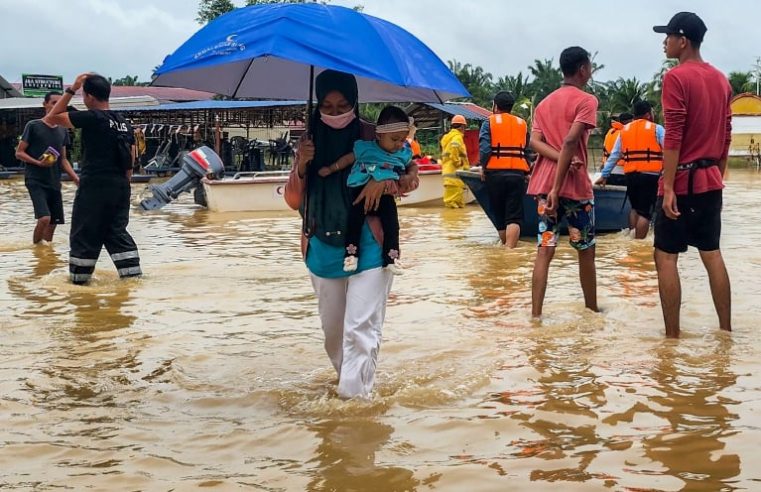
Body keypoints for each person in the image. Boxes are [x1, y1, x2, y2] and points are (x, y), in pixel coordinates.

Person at [284, 70, 419, 399]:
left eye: (342, 105)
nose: (334, 113)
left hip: (370, 243)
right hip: (321, 244)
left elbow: (409, 180)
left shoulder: (375, 136)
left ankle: (353, 406)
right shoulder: (307, 141)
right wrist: (302, 164)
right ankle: (353, 384)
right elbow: (293, 201)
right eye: (327, 107)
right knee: (333, 334)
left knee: (360, 329)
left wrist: (384, 182)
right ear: (317, 106)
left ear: (355, 103)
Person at [652, 12, 732, 337]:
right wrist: (717, 175)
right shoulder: (722, 80)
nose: (664, 42)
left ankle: (672, 339)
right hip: (711, 181)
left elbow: (674, 134)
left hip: (682, 181)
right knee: (711, 253)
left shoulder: (675, 78)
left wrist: (668, 185)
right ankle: (726, 332)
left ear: (682, 41)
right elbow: (726, 135)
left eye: (668, 36)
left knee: (666, 258)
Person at [43, 73, 142, 285]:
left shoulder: (92, 117)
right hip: (121, 187)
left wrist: (71, 89)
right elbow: (130, 162)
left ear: (88, 96)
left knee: (84, 234)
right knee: (116, 233)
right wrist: (124, 187)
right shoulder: (124, 123)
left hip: (95, 188)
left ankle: (80, 288)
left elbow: (51, 117)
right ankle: (133, 281)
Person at [527, 46, 599, 317]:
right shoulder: (587, 101)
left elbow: (534, 142)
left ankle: (536, 315)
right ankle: (592, 312)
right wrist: (566, 163)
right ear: (582, 69)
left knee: (544, 249)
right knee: (585, 251)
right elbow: (570, 141)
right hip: (574, 188)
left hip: (544, 188)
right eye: (589, 67)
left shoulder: (544, 103)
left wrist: (557, 160)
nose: (590, 72)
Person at [318, 106, 413, 275]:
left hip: (386, 196)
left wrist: (409, 176)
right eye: (394, 139)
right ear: (378, 135)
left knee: (393, 226)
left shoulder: (402, 153)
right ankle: (351, 255)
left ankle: (391, 259)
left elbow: (413, 166)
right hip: (359, 192)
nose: (399, 144)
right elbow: (348, 159)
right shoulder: (365, 148)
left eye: (402, 140)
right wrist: (331, 169)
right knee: (353, 223)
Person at [15, 91, 79, 244]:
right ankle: (36, 250)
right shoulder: (33, 126)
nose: (57, 106)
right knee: (44, 218)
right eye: (53, 103)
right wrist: (38, 163)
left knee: (53, 223)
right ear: (45, 105)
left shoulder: (62, 130)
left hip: (54, 181)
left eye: (60, 103)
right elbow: (19, 153)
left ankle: (46, 256)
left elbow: (63, 159)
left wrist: (76, 178)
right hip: (35, 180)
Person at [597, 100, 665, 239]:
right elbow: (669, 151)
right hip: (650, 175)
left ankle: (632, 238)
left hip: (630, 175)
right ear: (648, 114)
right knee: (645, 213)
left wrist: (604, 175)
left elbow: (614, 155)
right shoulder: (657, 129)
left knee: (634, 208)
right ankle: (639, 243)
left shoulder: (624, 131)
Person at [479, 91, 531, 248]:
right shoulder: (522, 123)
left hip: (495, 174)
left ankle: (505, 249)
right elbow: (526, 151)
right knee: (514, 216)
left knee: (500, 215)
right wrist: (527, 171)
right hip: (517, 174)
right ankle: (510, 251)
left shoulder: (489, 122)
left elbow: (485, 149)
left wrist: (483, 167)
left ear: (495, 105)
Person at [440, 114, 470, 208]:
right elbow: (454, 149)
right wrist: (457, 162)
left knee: (459, 204)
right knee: (451, 205)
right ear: (461, 127)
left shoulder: (446, 137)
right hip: (454, 175)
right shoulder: (457, 137)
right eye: (464, 127)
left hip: (452, 176)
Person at [599, 112, 633, 186]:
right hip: (621, 171)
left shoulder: (610, 132)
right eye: (632, 121)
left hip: (608, 170)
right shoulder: (625, 133)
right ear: (627, 122)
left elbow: (605, 149)